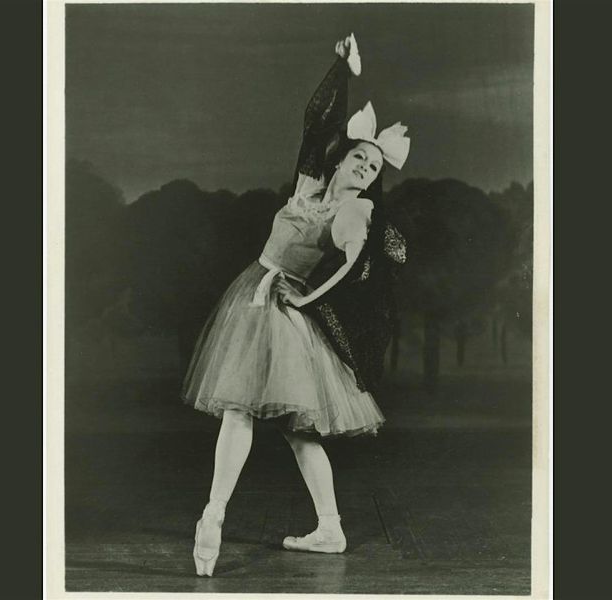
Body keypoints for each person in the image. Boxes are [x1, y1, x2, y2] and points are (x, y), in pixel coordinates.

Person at [181, 33, 411, 577]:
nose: (365, 167)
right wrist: (342, 70)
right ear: (342, 158)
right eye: (359, 157)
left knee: (264, 416)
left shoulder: (354, 214)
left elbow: (358, 267)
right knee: (270, 420)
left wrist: (306, 297)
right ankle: (323, 526)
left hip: (284, 310)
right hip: (252, 294)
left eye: (374, 167)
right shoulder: (309, 185)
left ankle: (217, 515)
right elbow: (316, 123)